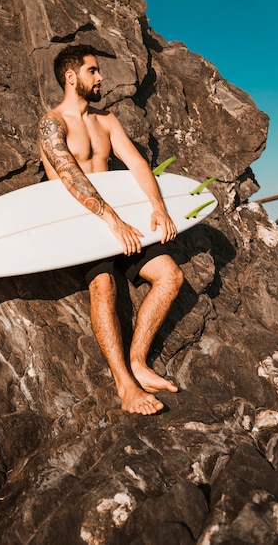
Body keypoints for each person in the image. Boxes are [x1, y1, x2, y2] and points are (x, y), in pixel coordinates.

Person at [38, 44, 184, 415]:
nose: (100, 77)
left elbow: (137, 165)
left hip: (121, 221)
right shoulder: (52, 123)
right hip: (80, 223)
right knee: (103, 285)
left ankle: (138, 362)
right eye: (93, 71)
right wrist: (110, 219)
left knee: (170, 276)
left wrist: (158, 208)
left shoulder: (107, 121)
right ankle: (124, 385)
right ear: (71, 77)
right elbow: (70, 178)